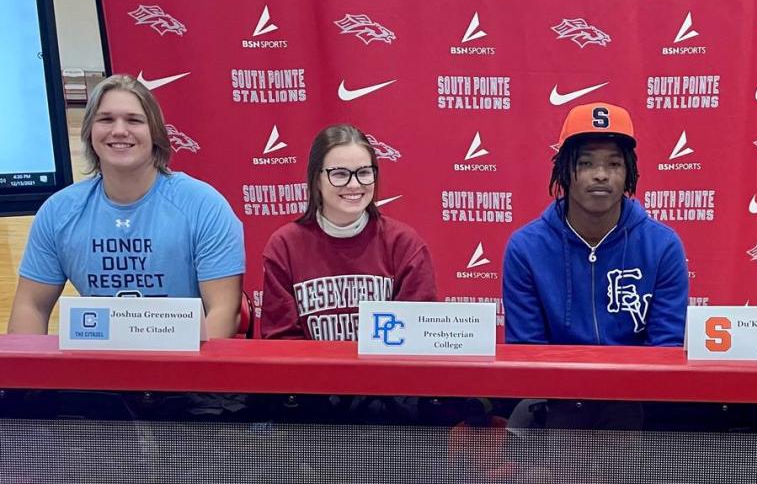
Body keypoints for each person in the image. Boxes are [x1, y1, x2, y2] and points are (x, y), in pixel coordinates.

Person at [8, 74, 245, 338]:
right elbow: (32, 306)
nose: (119, 130)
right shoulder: (58, 212)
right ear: (89, 131)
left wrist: (184, 375)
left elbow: (225, 312)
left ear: (154, 133)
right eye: (106, 119)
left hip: (185, 368)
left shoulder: (204, 207)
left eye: (133, 120)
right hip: (96, 366)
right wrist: (26, 375)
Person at [503, 102, 688, 346]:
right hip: (555, 383)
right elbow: (527, 353)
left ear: (628, 172)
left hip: (640, 384)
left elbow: (667, 351)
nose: (601, 174)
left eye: (614, 164)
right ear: (564, 170)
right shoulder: (525, 249)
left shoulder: (662, 246)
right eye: (586, 163)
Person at [260, 124, 437, 341]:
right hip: (312, 374)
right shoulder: (285, 246)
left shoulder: (405, 245)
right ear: (316, 179)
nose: (354, 185)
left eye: (364, 173)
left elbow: (418, 340)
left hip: (386, 374)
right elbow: (281, 343)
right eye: (340, 174)